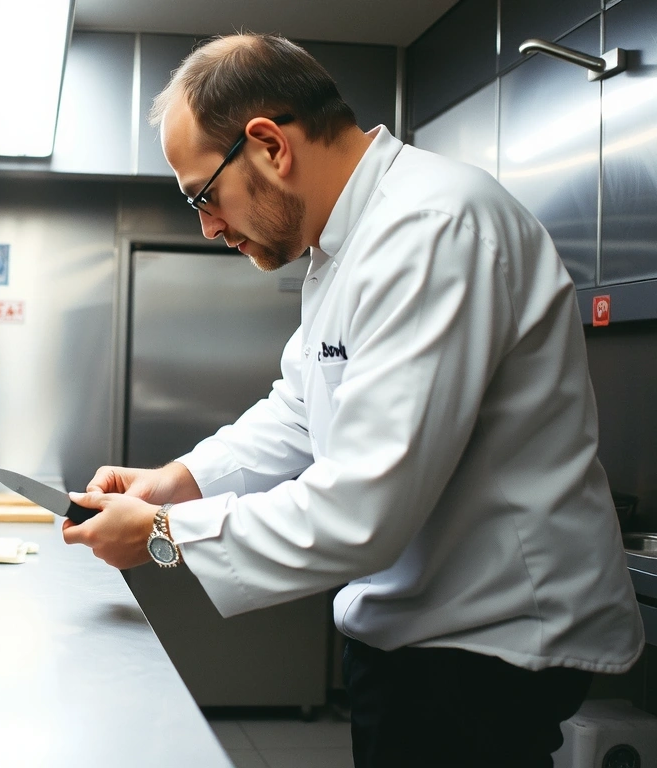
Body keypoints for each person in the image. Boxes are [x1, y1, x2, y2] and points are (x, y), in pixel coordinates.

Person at [62, 32, 643, 768]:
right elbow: (302, 407)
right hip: (423, 633)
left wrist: (163, 533)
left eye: (204, 196)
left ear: (269, 144)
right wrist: (175, 481)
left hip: (486, 646)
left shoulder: (430, 229)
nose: (208, 227)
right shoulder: (344, 248)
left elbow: (363, 505)